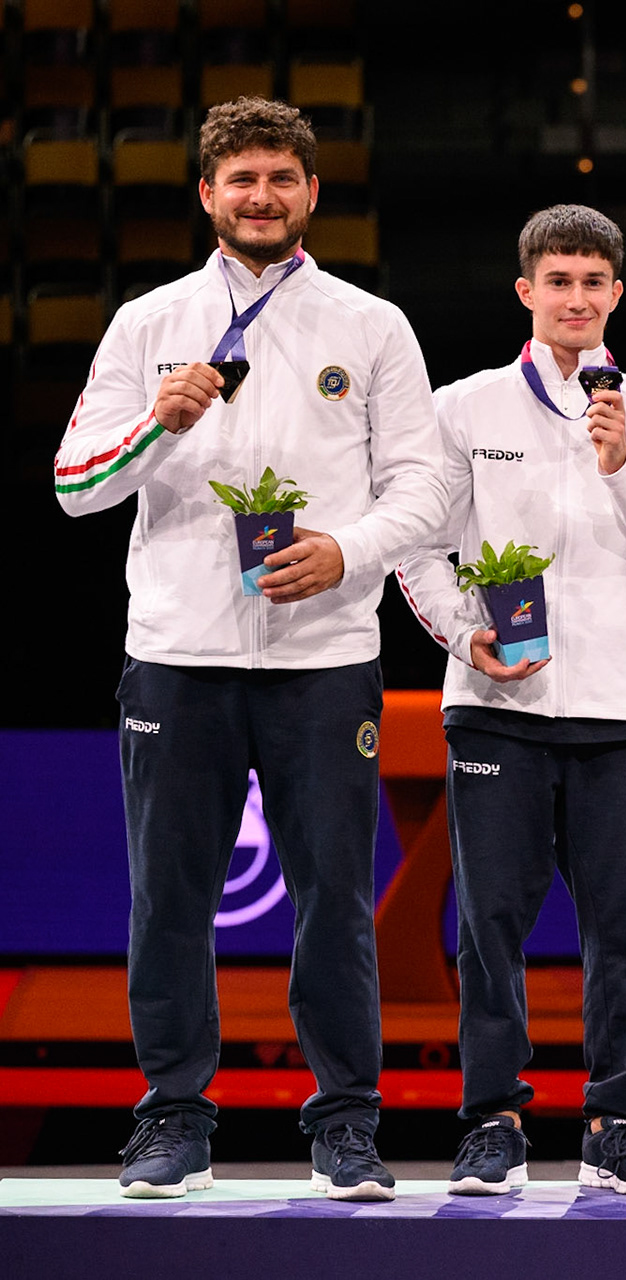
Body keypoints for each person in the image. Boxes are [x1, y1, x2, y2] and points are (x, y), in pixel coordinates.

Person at [52, 97, 446, 1200]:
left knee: (334, 890)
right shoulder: (147, 322)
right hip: (179, 649)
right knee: (168, 894)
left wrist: (347, 547)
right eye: (242, 180)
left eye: (282, 177)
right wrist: (154, 426)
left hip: (322, 654)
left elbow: (425, 486)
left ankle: (347, 1126)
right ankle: (174, 1117)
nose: (262, 195)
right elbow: (75, 487)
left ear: (313, 192)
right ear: (207, 196)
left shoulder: (372, 326)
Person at [394, 205, 626, 1197]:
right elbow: (415, 543)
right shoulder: (465, 405)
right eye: (557, 281)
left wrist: (620, 464)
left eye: (593, 282)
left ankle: (618, 1122)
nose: (576, 298)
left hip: (618, 707)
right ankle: (492, 1120)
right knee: (491, 923)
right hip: (494, 703)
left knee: (622, 932)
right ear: (526, 290)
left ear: (616, 292)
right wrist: (464, 634)